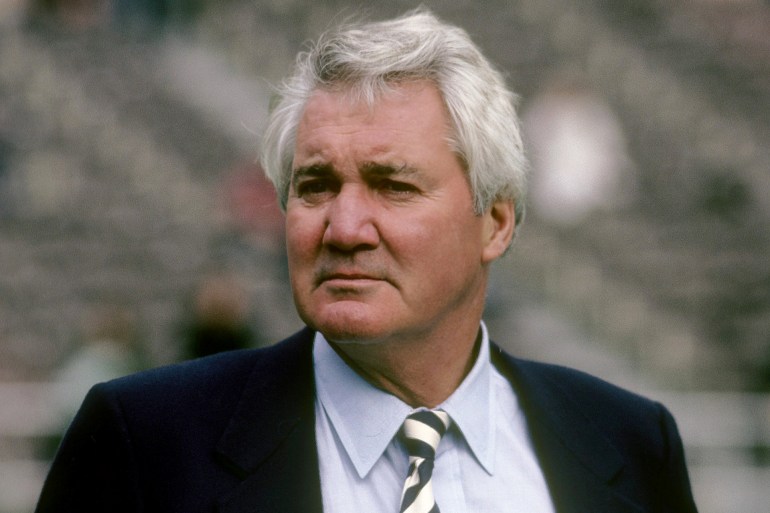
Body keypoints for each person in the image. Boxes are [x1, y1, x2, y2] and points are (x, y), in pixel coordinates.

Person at [36, 9, 698, 513]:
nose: (344, 227)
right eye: (316, 185)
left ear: (494, 223)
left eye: (394, 185)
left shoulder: (630, 441)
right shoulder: (143, 445)